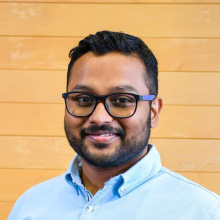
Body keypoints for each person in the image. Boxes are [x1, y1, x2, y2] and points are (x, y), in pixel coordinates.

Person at [8, 30, 220, 220]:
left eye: (122, 100)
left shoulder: (203, 212)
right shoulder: (30, 205)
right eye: (83, 99)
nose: (99, 118)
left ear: (153, 111)